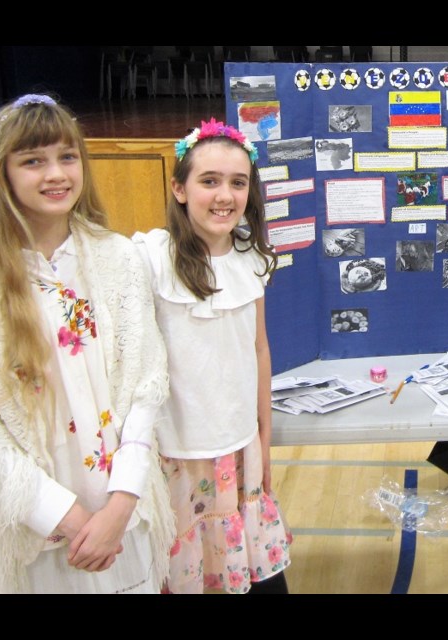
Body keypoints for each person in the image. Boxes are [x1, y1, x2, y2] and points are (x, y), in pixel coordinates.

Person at [0, 94, 174, 593]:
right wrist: (64, 517)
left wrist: (121, 502)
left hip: (120, 513)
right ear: (2, 174)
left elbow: (145, 387)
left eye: (67, 157)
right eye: (33, 161)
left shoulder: (117, 258)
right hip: (35, 522)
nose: (56, 173)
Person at [132, 118, 292, 594]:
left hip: (238, 450)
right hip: (176, 456)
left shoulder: (252, 256)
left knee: (255, 578)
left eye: (238, 183)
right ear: (179, 188)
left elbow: (259, 349)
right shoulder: (150, 258)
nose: (225, 195)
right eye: (209, 181)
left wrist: (264, 441)